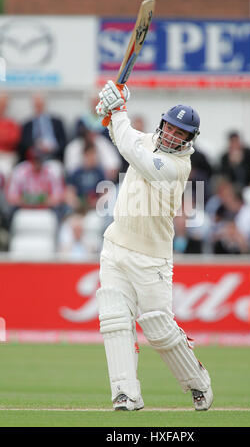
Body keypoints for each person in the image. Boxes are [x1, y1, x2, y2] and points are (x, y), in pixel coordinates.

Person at [95, 80, 213, 412]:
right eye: (170, 128)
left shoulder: (177, 167)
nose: (172, 136)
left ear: (190, 140)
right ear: (162, 125)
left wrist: (119, 111)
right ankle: (125, 393)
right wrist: (108, 115)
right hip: (116, 245)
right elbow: (124, 138)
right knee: (114, 318)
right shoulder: (148, 141)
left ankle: (197, 382)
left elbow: (134, 152)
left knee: (159, 328)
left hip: (152, 258)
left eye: (181, 133)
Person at [6, 148, 65, 212]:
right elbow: (11, 197)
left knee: (60, 210)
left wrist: (41, 201)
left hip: (47, 208)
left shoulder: (51, 171)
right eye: (34, 159)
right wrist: (28, 200)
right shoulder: (20, 171)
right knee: (9, 210)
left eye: (39, 159)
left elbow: (58, 196)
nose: (37, 162)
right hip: (23, 208)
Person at [18, 93, 67, 163]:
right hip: (33, 160)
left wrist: (52, 148)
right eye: (36, 104)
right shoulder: (27, 125)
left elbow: (63, 141)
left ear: (45, 103)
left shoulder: (57, 122)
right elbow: (23, 144)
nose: (38, 106)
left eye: (40, 103)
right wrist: (36, 147)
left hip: (53, 158)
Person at [65, 143, 106, 212]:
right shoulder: (76, 173)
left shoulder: (99, 173)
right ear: (84, 155)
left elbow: (105, 194)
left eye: (93, 155)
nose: (92, 158)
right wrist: (77, 203)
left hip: (95, 208)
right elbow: (69, 193)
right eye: (89, 155)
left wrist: (97, 202)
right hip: (79, 208)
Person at [0, 93, 21, 178]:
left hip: (7, 156)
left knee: (4, 170)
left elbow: (13, 141)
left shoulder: (12, 123)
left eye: (3, 104)